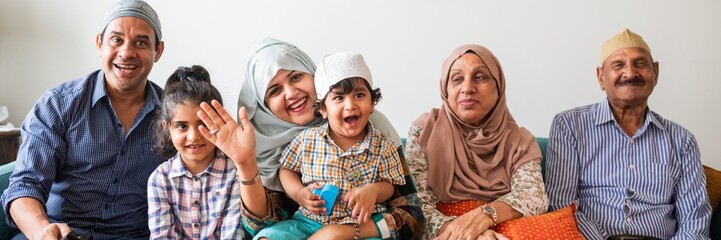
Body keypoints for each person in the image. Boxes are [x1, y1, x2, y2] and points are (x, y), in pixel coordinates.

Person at [198, 38, 425, 239]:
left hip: (360, 226)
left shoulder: (372, 127)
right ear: (262, 104)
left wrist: (339, 233)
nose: (291, 93)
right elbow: (261, 226)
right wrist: (246, 163)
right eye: (274, 90)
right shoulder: (263, 143)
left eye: (296, 76)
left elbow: (411, 215)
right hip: (305, 225)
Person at [0, 0, 165, 239]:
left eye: (141, 43)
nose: (127, 52)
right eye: (116, 40)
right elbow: (25, 186)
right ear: (99, 43)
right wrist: (41, 230)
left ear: (157, 51)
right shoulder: (58, 104)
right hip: (59, 233)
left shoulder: (173, 116)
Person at [545, 28, 712, 239]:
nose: (631, 73)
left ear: (656, 72)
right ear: (601, 77)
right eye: (618, 65)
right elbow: (562, 208)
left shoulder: (682, 140)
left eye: (640, 63)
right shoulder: (569, 126)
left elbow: (694, 223)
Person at [251, 52, 406, 239]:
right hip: (308, 222)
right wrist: (299, 193)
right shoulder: (307, 140)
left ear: (372, 103)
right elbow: (287, 170)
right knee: (268, 237)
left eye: (359, 95)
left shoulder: (383, 146)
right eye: (339, 98)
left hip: (360, 225)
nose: (350, 105)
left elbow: (390, 186)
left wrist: (373, 191)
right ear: (323, 109)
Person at [405, 44, 548, 240]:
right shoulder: (424, 131)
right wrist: (463, 232)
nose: (467, 88)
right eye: (457, 79)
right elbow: (415, 203)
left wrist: (483, 216)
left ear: (499, 87)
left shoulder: (519, 141)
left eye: (479, 77)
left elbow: (533, 197)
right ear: (445, 90)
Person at [147, 66, 244, 239]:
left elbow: (233, 234)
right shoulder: (159, 180)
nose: (194, 136)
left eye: (203, 124)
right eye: (182, 126)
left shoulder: (234, 173)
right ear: (167, 129)